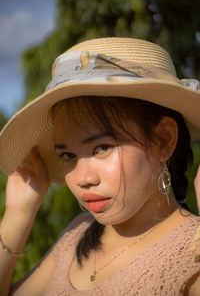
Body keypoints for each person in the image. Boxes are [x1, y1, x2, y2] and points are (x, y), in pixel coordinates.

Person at [0, 37, 200, 296]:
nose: (82, 178)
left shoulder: (190, 255)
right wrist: (17, 215)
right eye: (68, 156)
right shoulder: (75, 237)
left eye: (102, 148)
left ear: (163, 139)